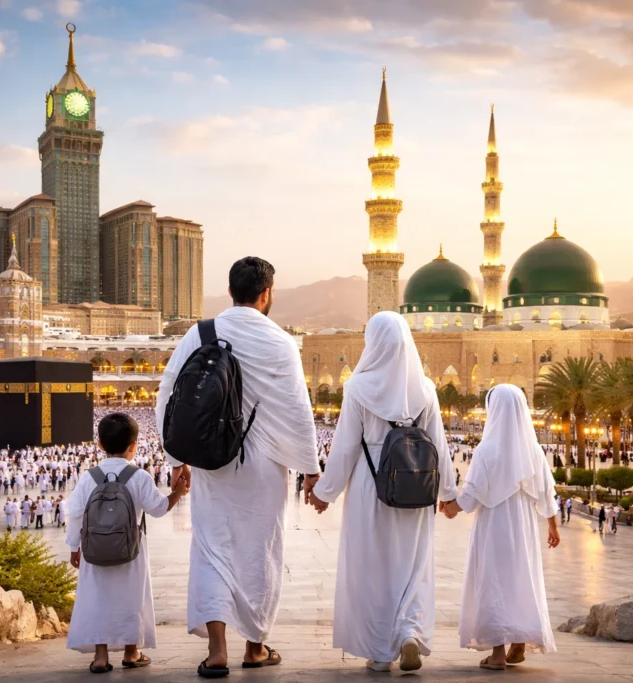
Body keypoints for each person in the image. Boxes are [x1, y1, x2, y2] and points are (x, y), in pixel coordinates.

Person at [155, 257, 321, 678]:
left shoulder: (201, 333)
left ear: (230, 292)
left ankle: (216, 652)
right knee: (259, 554)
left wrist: (177, 460)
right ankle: (256, 646)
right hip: (264, 469)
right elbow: (298, 412)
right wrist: (311, 471)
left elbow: (168, 395)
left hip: (214, 462)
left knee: (212, 552)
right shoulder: (282, 343)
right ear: (266, 295)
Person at [307, 311, 457, 673]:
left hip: (371, 485)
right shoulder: (425, 389)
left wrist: (324, 493)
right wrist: (448, 493)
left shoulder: (359, 387)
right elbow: (438, 445)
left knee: (373, 567)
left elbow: (344, 448)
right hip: (415, 485)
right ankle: (408, 631)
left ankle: (380, 651)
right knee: (412, 565)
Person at [438, 385, 560, 670]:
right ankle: (518, 644)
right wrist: (553, 526)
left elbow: (471, 495)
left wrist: (450, 507)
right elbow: (547, 492)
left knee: (494, 582)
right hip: (525, 528)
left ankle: (497, 653)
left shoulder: (486, 450)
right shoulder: (534, 450)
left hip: (494, 526)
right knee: (521, 578)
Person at [65, 413, 188, 673]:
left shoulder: (90, 477)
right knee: (132, 597)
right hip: (131, 549)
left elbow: (74, 512)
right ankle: (132, 653)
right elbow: (158, 509)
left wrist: (74, 547)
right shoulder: (139, 476)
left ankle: (100, 657)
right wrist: (178, 492)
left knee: (98, 597)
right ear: (134, 445)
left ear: (99, 444)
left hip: (94, 550)